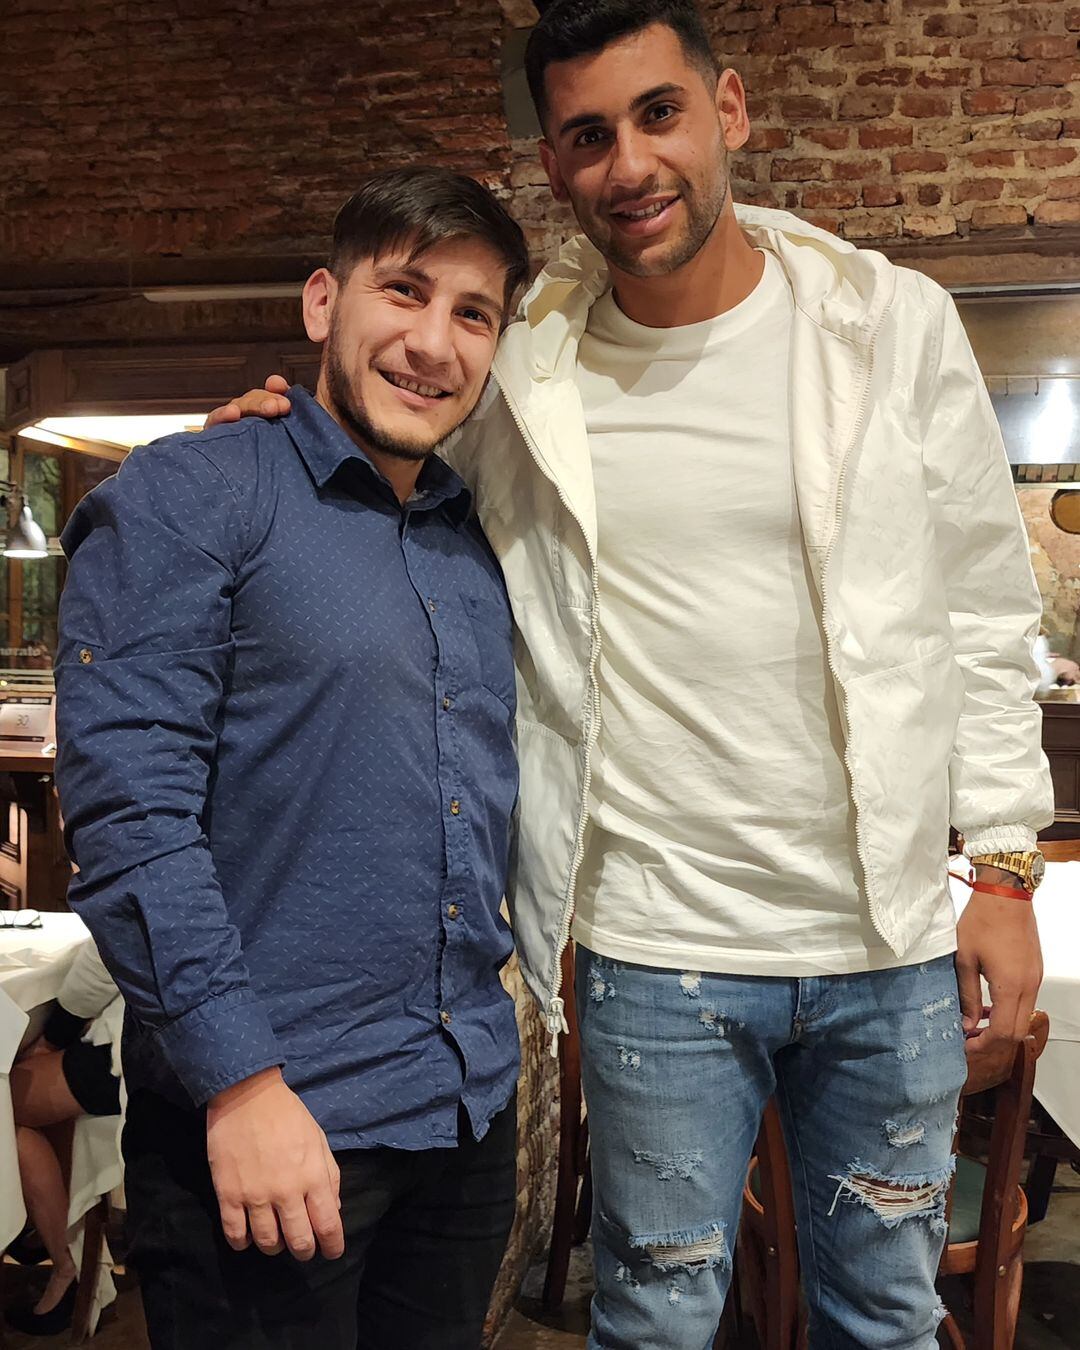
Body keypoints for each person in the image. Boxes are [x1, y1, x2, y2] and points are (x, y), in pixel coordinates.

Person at [208, 2, 1053, 1345]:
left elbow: (982, 605)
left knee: (886, 1317)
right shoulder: (526, 365)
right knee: (654, 1317)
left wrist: (1004, 869)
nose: (631, 164)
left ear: (730, 110)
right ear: (554, 163)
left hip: (887, 937)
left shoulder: (887, 323)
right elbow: (388, 433)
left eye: (659, 114)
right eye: (589, 135)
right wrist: (275, 437)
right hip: (657, 948)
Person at [54, 167, 529, 1350]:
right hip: (275, 1121)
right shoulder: (194, 492)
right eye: (404, 291)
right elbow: (128, 813)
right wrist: (241, 1082)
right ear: (324, 302)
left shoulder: (472, 538)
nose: (434, 343)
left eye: (473, 314)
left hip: (462, 1114)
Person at [6, 940, 122, 1337]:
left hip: (135, 1050)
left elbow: (103, 960)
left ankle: (65, 1267)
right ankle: (44, 1227)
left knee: (4, 1107)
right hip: (165, 1037)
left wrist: (52, 1039)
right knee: (27, 1086)